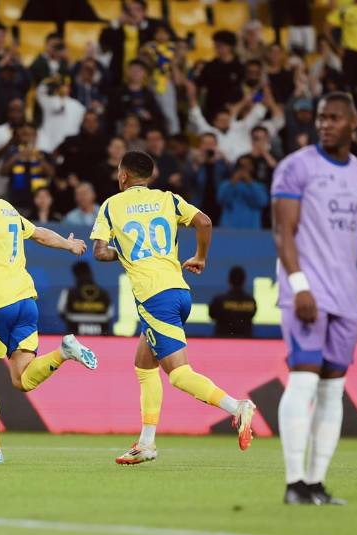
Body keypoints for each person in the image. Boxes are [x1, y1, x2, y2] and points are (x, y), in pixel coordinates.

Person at [271, 91, 357, 506]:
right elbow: (283, 234)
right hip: (307, 293)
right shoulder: (295, 168)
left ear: (353, 124)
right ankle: (294, 483)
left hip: (346, 298)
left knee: (332, 390)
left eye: (334, 118)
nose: (325, 124)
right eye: (321, 118)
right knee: (305, 378)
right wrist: (299, 286)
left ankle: (315, 484)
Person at [91, 150, 256, 464]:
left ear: (122, 175)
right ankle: (146, 443)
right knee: (144, 364)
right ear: (150, 176)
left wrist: (122, 251)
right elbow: (204, 222)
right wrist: (200, 257)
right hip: (178, 290)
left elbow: (100, 252)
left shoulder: (112, 205)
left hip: (154, 297)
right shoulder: (169, 199)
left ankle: (237, 407)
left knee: (179, 374)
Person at [0, 157, 98, 463]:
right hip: (26, 301)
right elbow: (38, 232)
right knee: (22, 379)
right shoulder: (8, 209)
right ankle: (64, 352)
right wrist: (68, 245)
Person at [195, 30, 244, 120]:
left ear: (230, 47)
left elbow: (243, 89)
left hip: (233, 109)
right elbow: (200, 84)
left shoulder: (240, 67)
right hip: (212, 109)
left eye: (221, 46)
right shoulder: (210, 66)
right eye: (216, 45)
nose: (217, 48)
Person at [58, 261, 113, 335]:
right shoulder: (104, 293)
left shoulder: (68, 293)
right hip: (102, 335)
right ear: (91, 273)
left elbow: (61, 311)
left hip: (74, 335)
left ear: (76, 275)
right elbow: (110, 314)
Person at [217, 154, 268, 229]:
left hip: (252, 230)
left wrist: (250, 183)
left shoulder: (259, 186)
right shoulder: (226, 185)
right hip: (228, 229)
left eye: (247, 166)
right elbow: (221, 200)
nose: (244, 169)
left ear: (253, 167)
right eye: (241, 166)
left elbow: (262, 202)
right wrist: (233, 183)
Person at [208, 266, 257, 338]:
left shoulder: (219, 301)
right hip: (245, 343)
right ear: (244, 281)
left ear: (229, 280)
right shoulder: (251, 301)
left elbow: (212, 315)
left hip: (222, 342)